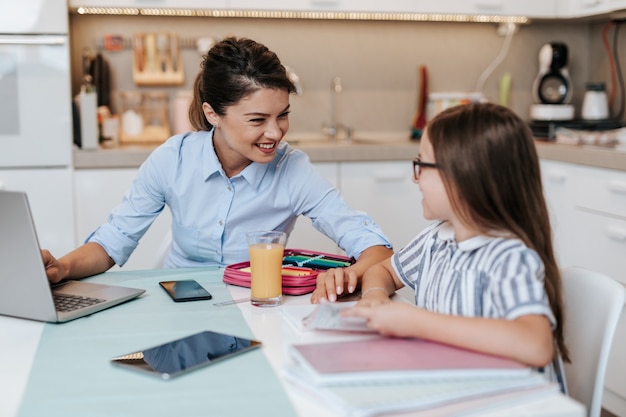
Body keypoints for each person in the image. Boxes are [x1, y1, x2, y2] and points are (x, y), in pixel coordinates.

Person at [42, 37, 392, 296]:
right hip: (177, 300)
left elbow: (375, 248)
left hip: (258, 302)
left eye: (282, 115)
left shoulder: (292, 169)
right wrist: (63, 267)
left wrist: (350, 275)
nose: (275, 132)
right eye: (258, 119)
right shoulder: (173, 159)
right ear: (213, 114)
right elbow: (112, 241)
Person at [343, 102, 569, 386]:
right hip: (459, 387)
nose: (416, 178)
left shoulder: (507, 257)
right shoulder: (436, 239)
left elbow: (535, 344)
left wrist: (416, 323)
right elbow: (383, 271)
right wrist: (375, 295)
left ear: (463, 176)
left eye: (422, 165)